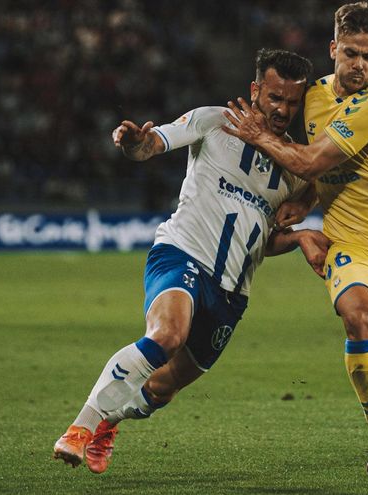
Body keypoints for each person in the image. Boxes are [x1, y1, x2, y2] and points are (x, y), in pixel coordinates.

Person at [52, 49, 329, 474]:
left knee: (162, 388)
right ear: (255, 90)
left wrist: (300, 237)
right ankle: (79, 428)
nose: (282, 110)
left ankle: (110, 420)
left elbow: (263, 241)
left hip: (232, 294)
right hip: (181, 254)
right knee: (167, 334)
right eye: (274, 97)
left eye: (292, 103)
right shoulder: (213, 120)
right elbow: (151, 144)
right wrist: (135, 144)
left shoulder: (292, 166)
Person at [224, 3, 368, 478]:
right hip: (351, 243)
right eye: (350, 53)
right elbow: (316, 170)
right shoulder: (315, 96)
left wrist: (258, 135)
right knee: (358, 316)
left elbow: (308, 160)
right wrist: (305, 203)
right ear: (333, 50)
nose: (359, 64)